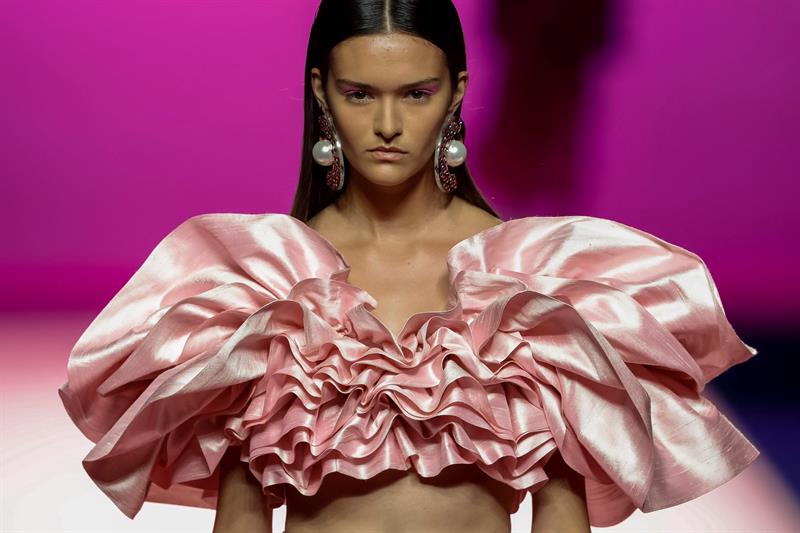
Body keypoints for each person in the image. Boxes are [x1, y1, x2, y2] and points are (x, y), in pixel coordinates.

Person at [57, 1, 760, 532]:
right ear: (321, 91)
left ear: (455, 91)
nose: (388, 125)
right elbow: (241, 514)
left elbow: (560, 509)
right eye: (360, 93)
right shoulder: (267, 278)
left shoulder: (526, 280)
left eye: (415, 94)